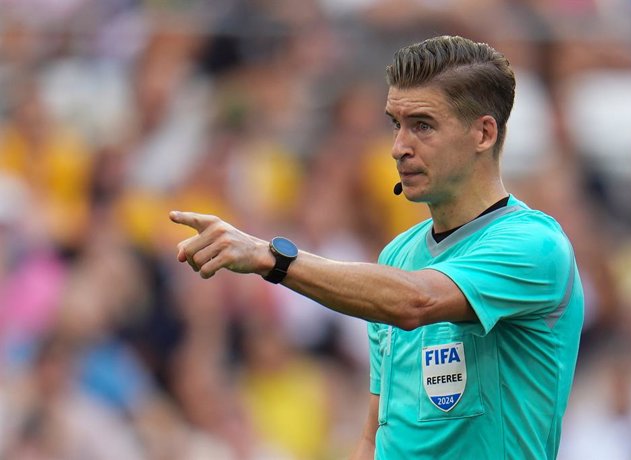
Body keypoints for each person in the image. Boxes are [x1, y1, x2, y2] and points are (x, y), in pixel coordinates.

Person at [170, 35, 584, 460]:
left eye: (422, 125)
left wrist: (270, 259)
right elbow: (376, 434)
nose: (398, 147)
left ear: (483, 132)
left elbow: (416, 301)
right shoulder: (397, 257)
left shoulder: (535, 246)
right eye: (395, 124)